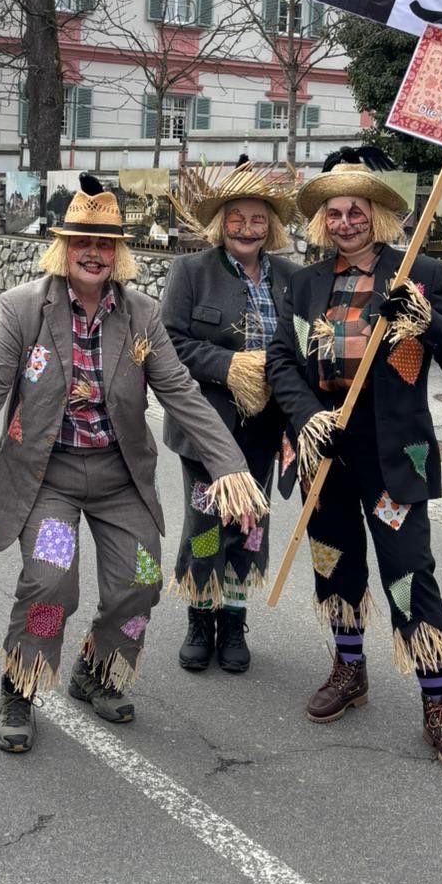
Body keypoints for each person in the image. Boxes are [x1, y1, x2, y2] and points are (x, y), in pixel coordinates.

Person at [0, 173, 267, 756]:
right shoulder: (24, 309)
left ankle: (96, 670)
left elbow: (181, 392)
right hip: (46, 479)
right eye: (84, 242)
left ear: (119, 253)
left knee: (142, 582)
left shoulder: (141, 315)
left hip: (118, 479)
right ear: (65, 248)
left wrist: (230, 467)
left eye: (106, 244)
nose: (96, 254)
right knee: (51, 583)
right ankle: (19, 688)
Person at [265, 147, 442, 777]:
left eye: (355, 210)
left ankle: (437, 702)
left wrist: (424, 320)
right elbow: (283, 360)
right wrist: (307, 415)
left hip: (394, 453)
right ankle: (350, 667)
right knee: (335, 565)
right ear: (322, 221)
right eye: (334, 211)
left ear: (377, 216)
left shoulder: (418, 272)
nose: (344, 221)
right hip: (325, 449)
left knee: (408, 573)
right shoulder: (305, 283)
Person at [161, 156, 299, 673]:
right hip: (206, 428)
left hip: (265, 430)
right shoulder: (189, 272)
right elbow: (169, 344)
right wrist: (229, 365)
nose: (247, 228)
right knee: (205, 524)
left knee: (250, 526)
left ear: (271, 226)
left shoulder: (290, 278)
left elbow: (302, 347)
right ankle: (201, 615)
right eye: (237, 218)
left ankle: (234, 620)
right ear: (222, 223)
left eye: (258, 219)